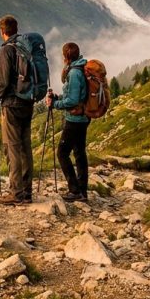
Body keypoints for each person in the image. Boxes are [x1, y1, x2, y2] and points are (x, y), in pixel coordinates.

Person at [0, 15, 34, 205]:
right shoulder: (24, 47)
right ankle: (27, 190)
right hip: (27, 102)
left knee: (12, 148)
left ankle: (16, 192)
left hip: (12, 105)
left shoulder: (6, 50)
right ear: (16, 28)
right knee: (25, 147)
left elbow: (4, 81)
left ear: (2, 31)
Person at [46, 42, 90, 202]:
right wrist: (58, 97)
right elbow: (74, 96)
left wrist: (56, 104)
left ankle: (74, 190)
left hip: (75, 119)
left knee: (62, 153)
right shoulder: (81, 68)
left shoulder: (74, 74)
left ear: (65, 57)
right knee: (79, 153)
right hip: (83, 118)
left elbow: (72, 100)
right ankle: (82, 191)